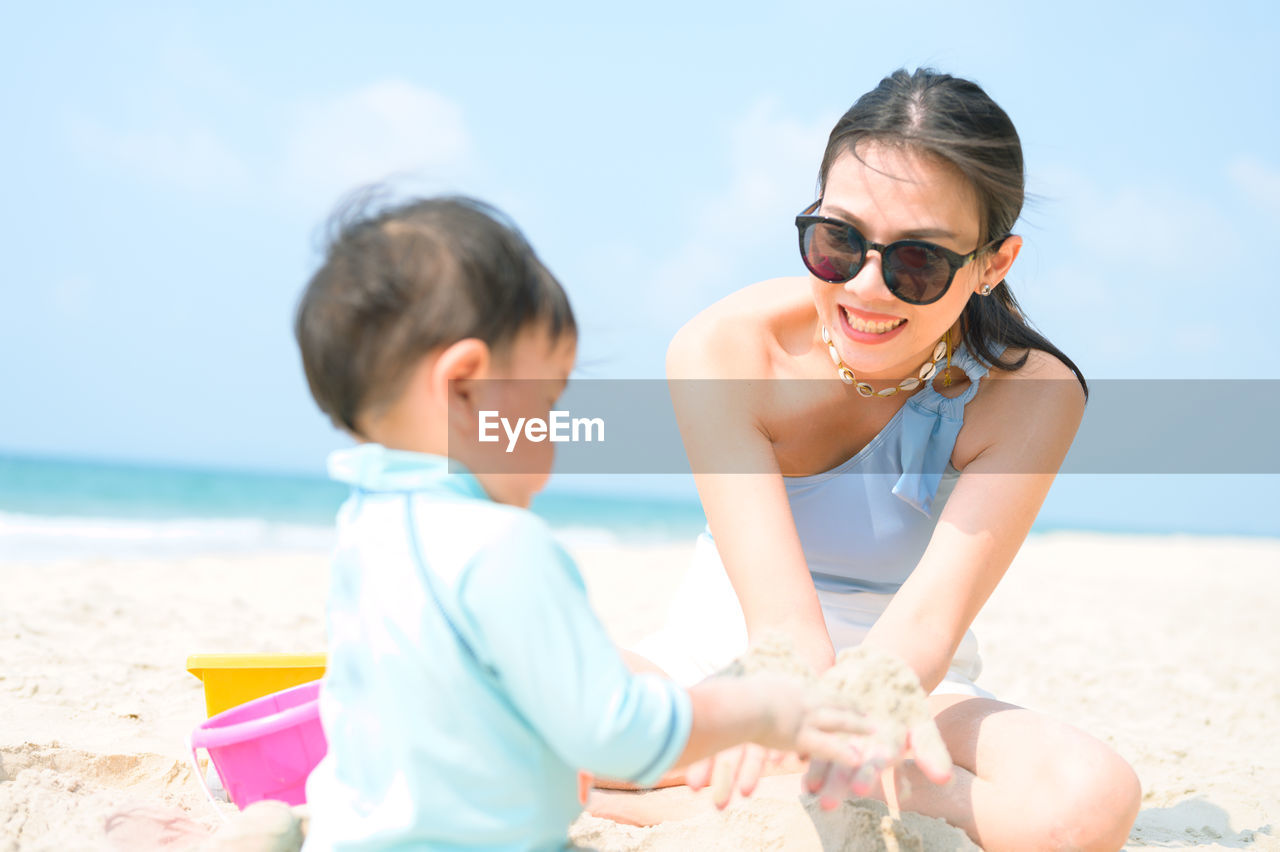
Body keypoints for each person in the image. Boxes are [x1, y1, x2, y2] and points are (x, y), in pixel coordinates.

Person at [603, 69, 1142, 851]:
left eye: (916, 262)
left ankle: (704, 788)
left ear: (994, 264)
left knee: (1089, 801)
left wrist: (860, 718)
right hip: (723, 662)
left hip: (909, 687)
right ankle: (755, 791)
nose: (866, 287)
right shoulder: (725, 351)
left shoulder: (1034, 394)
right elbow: (782, 636)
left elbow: (923, 630)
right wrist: (770, 707)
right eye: (839, 241)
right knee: (496, 689)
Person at [291, 195, 907, 851]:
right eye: (548, 400)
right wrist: (759, 709)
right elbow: (615, 733)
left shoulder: (365, 529)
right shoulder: (503, 547)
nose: (555, 436)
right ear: (465, 387)